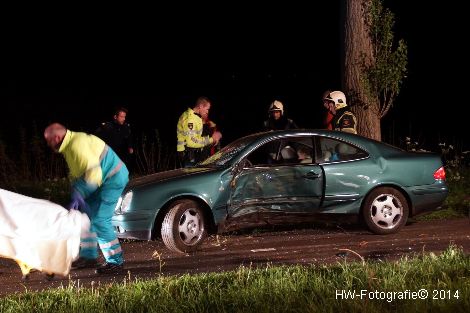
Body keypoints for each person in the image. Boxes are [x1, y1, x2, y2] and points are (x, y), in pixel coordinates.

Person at [44, 123, 129, 275]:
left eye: (48, 140)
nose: (48, 144)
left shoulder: (77, 144)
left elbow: (93, 173)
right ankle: (89, 257)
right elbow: (79, 170)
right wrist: (76, 188)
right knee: (86, 217)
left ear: (56, 138)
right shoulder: (70, 146)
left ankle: (115, 262)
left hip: (112, 179)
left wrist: (81, 191)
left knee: (100, 220)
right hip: (101, 180)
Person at [176, 96, 222, 167]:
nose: (207, 112)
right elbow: (192, 142)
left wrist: (210, 124)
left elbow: (197, 125)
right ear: (200, 106)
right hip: (190, 158)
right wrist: (212, 139)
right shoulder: (190, 120)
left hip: (191, 155)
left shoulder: (191, 114)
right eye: (207, 109)